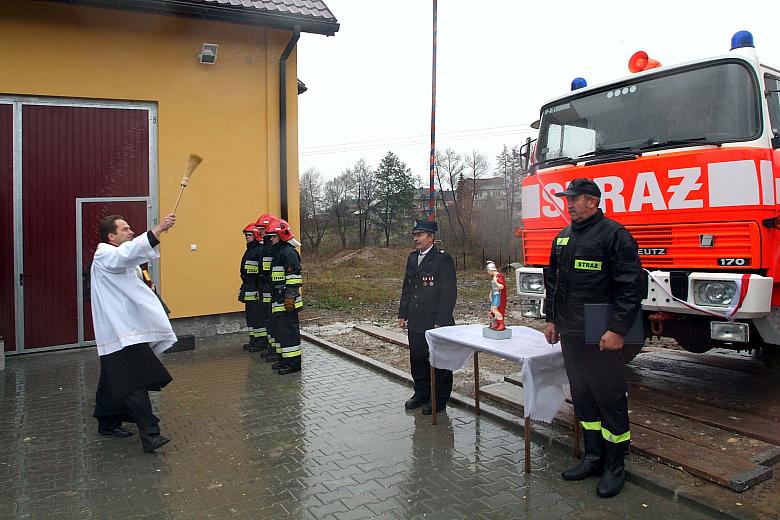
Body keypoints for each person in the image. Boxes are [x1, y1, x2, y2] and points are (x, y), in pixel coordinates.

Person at [542, 178, 645, 498]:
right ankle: (593, 457)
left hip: (602, 334)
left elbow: (631, 288)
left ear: (593, 201)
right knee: (583, 396)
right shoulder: (562, 238)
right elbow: (553, 284)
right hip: (571, 333)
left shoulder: (615, 235)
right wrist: (551, 320)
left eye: (575, 199)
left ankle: (615, 466)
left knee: (609, 398)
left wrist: (617, 330)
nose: (569, 204)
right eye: (567, 199)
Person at [91, 213, 178, 454]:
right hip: (120, 332)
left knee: (113, 378)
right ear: (111, 236)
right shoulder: (105, 254)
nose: (130, 232)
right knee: (132, 382)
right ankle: (150, 434)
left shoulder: (118, 258)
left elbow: (131, 262)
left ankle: (107, 422)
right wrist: (157, 230)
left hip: (126, 331)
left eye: (131, 228)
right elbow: (126, 255)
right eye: (125, 229)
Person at [398, 220, 457, 415]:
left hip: (436, 321)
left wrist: (441, 320)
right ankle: (421, 393)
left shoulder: (442, 259)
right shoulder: (413, 258)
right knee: (418, 358)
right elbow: (407, 288)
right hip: (416, 320)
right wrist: (403, 314)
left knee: (439, 361)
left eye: (420, 235)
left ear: (431, 237)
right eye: (415, 235)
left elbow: (449, 293)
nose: (416, 239)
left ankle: (439, 399)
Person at [266, 219, 304, 375]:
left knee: (288, 332)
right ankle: (284, 360)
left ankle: (293, 364)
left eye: (273, 237)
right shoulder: (279, 253)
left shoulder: (288, 253)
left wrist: (290, 297)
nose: (271, 240)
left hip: (287, 300)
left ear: (281, 236)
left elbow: (294, 277)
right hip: (278, 299)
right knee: (281, 332)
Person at [238, 222, 263, 352]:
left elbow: (260, 272)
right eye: (246, 235)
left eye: (249, 235)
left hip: (255, 288)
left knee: (257, 316)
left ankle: (260, 342)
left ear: (256, 235)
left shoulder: (258, 250)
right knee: (250, 315)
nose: (246, 237)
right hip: (248, 287)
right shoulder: (250, 249)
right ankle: (253, 340)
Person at [486, 261, 507, 331]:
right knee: (492, 310)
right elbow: (493, 287)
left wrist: (495, 281)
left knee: (495, 310)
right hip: (494, 295)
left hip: (498, 295)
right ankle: (495, 323)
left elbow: (501, 286)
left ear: (491, 269)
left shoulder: (498, 276)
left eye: (488, 270)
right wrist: (490, 294)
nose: (488, 272)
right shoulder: (494, 276)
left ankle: (501, 324)